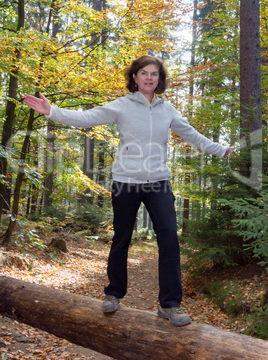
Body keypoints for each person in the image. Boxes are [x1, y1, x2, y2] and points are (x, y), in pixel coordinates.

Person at [24, 55, 233, 327]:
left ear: (160, 79)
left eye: (154, 74)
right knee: (122, 237)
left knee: (169, 237)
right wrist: (52, 112)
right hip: (125, 181)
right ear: (134, 77)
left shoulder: (167, 109)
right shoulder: (122, 105)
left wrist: (220, 150)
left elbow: (192, 134)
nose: (149, 77)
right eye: (144, 73)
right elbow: (87, 117)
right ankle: (113, 294)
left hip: (158, 182)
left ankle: (170, 305)